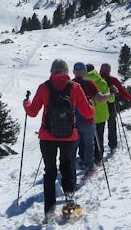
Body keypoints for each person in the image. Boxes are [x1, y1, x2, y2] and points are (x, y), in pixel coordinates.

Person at [24, 59, 95, 220]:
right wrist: (91, 105)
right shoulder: (75, 87)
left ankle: (49, 211)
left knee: (50, 172)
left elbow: (33, 112)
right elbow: (88, 113)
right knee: (67, 166)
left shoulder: (44, 87)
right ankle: (70, 203)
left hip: (47, 136)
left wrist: (26, 103)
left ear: (52, 71)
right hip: (69, 136)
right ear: (66, 71)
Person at [99, 63, 131, 153]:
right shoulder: (112, 79)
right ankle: (112, 145)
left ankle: (98, 148)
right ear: (109, 71)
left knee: (99, 127)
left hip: (99, 105)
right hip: (110, 104)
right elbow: (122, 91)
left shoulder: (96, 80)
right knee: (112, 124)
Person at [71, 62, 99, 175]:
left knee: (73, 146)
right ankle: (90, 167)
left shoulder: (70, 84)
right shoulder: (88, 83)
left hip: (73, 121)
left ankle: (70, 169)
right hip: (87, 119)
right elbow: (100, 98)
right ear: (85, 72)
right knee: (89, 144)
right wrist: (111, 93)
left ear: (74, 72)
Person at [84, 64, 111, 163]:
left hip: (87, 114)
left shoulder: (83, 81)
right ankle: (98, 157)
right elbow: (111, 99)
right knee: (99, 137)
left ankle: (85, 157)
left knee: (86, 138)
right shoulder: (101, 82)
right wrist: (111, 94)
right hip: (101, 114)